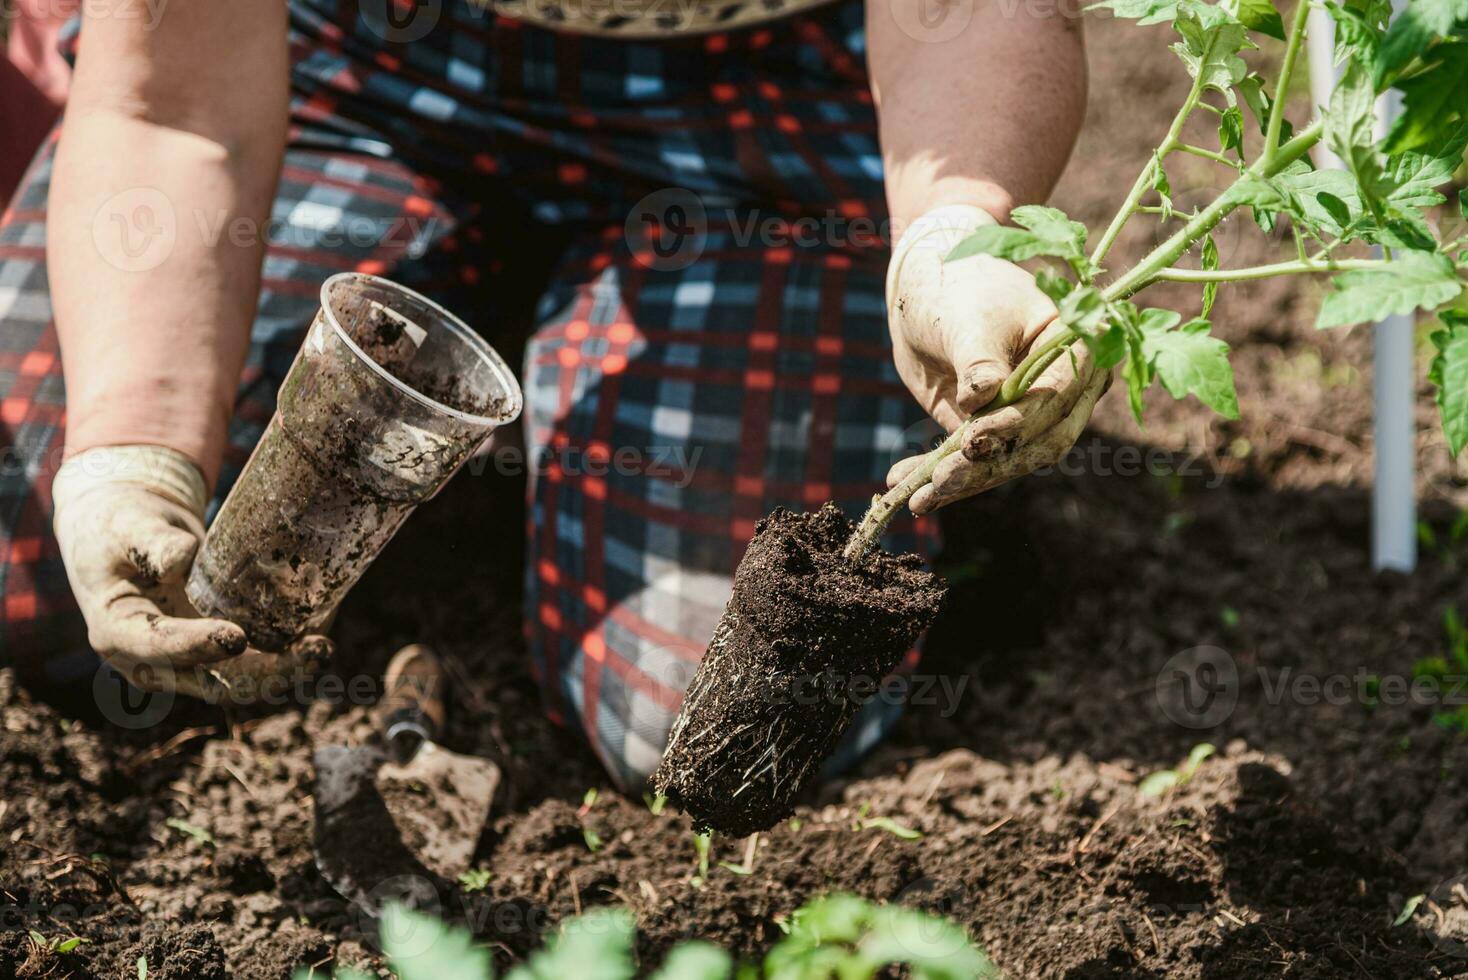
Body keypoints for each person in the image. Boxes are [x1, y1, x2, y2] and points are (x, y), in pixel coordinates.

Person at [0, 0, 1093, 788]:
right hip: (353, 58)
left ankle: (633, 324)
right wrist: (133, 446)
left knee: (705, 714)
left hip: (774, 87)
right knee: (49, 570)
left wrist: (949, 236)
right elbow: (179, 104)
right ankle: (518, 305)